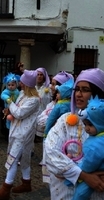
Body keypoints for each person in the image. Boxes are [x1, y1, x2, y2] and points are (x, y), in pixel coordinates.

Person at [45, 68, 104, 200]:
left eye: (85, 90)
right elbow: (50, 153)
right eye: (76, 89)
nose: (78, 94)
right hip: (64, 192)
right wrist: (84, 176)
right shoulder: (65, 121)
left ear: (98, 93)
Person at [0, 70, 40, 200]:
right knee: (24, 158)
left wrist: (9, 102)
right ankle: (26, 183)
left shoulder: (34, 100)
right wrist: (9, 109)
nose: (20, 85)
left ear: (27, 84)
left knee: (12, 159)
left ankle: (6, 188)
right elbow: (16, 109)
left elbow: (19, 113)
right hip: (18, 130)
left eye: (22, 82)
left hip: (24, 134)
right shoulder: (23, 94)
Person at [35, 71, 73, 184]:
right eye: (51, 83)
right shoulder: (54, 103)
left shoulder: (62, 105)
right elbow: (42, 120)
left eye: (54, 84)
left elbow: (50, 120)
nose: (51, 86)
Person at [63, 96, 104, 200]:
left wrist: (78, 173)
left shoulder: (95, 145)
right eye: (85, 124)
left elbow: (89, 164)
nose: (86, 128)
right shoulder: (98, 137)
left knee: (79, 195)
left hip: (94, 174)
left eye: (90, 124)